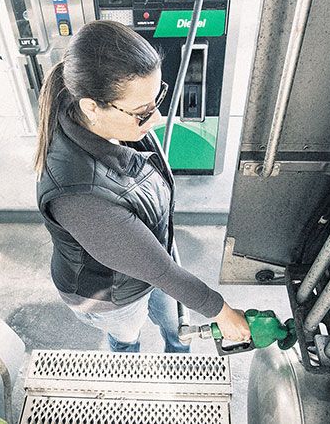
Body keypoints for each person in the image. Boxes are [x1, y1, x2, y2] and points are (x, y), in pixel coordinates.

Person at [34, 20, 250, 353]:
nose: (157, 119)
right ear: (92, 106)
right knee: (127, 336)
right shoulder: (79, 194)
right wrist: (221, 311)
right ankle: (128, 368)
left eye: (156, 99)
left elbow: (157, 268)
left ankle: (177, 355)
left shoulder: (98, 114)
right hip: (109, 294)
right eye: (142, 111)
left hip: (145, 261)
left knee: (175, 323)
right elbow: (160, 271)